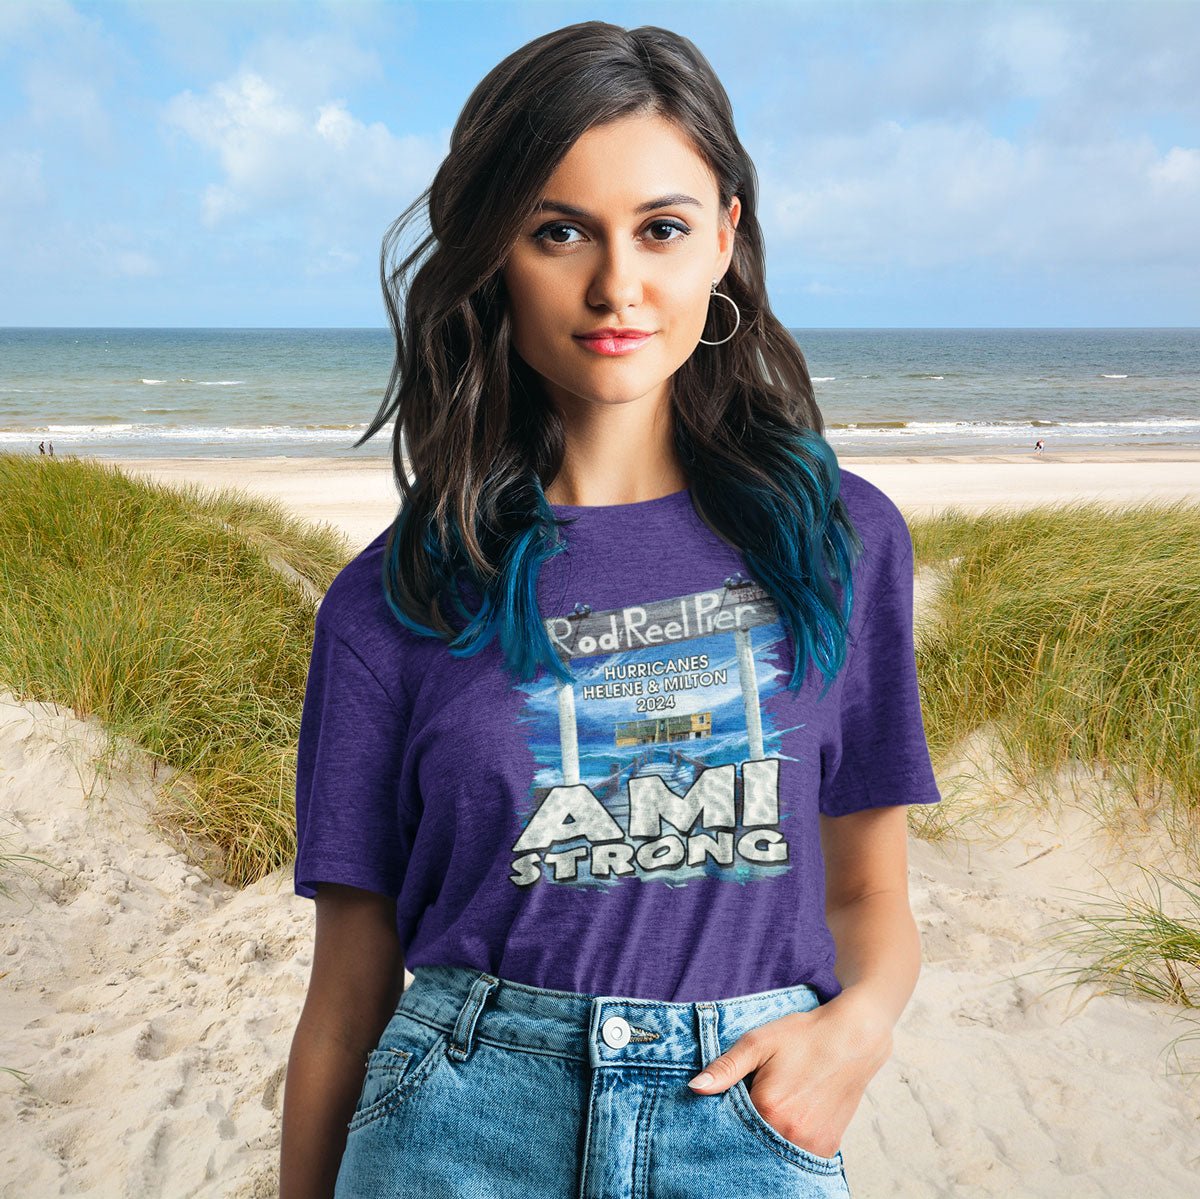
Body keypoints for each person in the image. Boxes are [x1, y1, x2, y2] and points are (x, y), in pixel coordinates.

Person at [280, 21, 941, 1199]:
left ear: (725, 237)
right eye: (558, 230)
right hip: (457, 1122)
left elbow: (869, 886)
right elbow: (345, 998)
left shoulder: (840, 541)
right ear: (492, 255)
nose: (616, 285)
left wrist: (858, 1029)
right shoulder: (392, 603)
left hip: (744, 1118)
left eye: (663, 228)